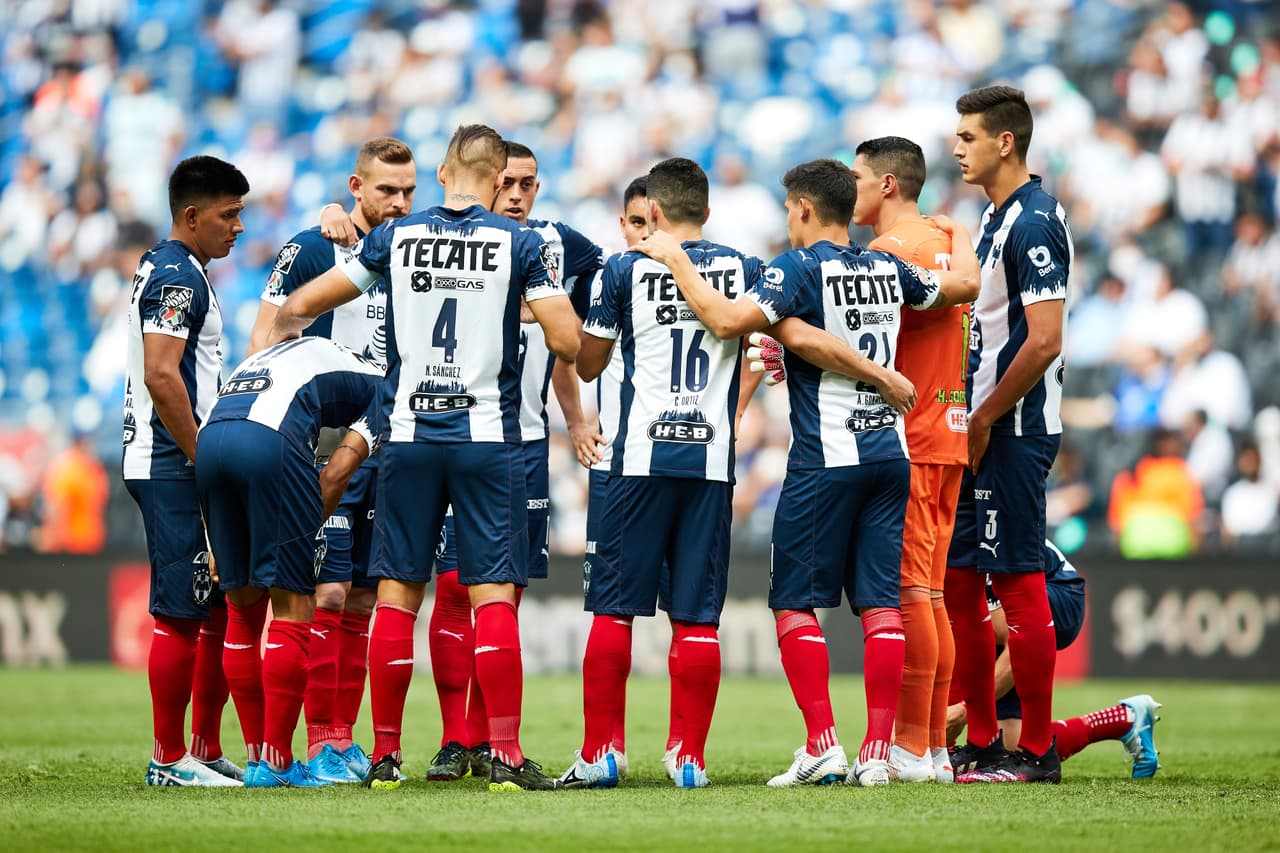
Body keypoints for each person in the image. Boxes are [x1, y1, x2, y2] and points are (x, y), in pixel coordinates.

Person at [266, 124, 581, 792]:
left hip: (406, 434)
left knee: (398, 594)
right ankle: (504, 753)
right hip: (483, 438)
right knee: (491, 590)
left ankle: (384, 757)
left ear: (441, 173)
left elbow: (304, 303)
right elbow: (567, 340)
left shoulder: (395, 238)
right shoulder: (519, 242)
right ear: (498, 180)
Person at [652, 158, 978, 787]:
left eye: (786, 208)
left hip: (825, 460)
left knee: (795, 603)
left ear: (802, 207)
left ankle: (824, 745)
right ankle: (878, 756)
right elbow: (962, 287)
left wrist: (677, 260)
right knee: (882, 604)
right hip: (891, 456)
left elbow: (724, 321)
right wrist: (959, 233)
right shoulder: (886, 266)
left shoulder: (795, 270)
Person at [567, 157, 764, 790]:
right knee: (698, 617)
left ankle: (602, 753)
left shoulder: (625, 268)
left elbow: (589, 364)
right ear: (708, 212)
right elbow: (768, 347)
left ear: (652, 214)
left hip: (636, 463)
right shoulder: (745, 269)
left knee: (614, 611)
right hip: (710, 464)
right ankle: (689, 758)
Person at [425, 141, 604, 784]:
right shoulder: (452, 239)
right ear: (489, 181)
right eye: (510, 181)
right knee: (450, 588)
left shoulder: (562, 247)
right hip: (454, 433)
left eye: (531, 181)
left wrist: (577, 416)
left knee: (504, 595)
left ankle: (493, 740)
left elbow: (582, 329)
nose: (520, 192)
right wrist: (337, 211)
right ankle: (455, 741)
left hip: (524, 444)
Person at [246, 137, 416, 784]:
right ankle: (310, 743)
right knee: (328, 589)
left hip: (390, 437)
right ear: (355, 185)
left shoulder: (414, 249)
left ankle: (341, 740)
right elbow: (266, 336)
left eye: (408, 192)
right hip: (324, 441)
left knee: (365, 599)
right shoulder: (315, 246)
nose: (398, 203)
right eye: (385, 192)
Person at [946, 84, 1074, 784]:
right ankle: (986, 742)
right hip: (982, 428)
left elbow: (1045, 338)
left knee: (1017, 579)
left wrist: (987, 414)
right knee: (962, 582)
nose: (956, 147)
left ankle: (1038, 753)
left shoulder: (1033, 222)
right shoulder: (997, 216)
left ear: (1005, 142)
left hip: (1014, 429)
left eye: (967, 137)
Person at [196, 337, 384, 787]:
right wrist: (292, 533)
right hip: (268, 441)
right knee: (294, 607)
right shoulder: (386, 388)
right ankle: (279, 764)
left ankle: (258, 758)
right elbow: (338, 472)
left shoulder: (306, 355)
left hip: (210, 441)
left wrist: (222, 538)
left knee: (242, 611)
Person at [123, 155, 248, 787]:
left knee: (216, 604)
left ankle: (200, 745)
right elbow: (160, 373)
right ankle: (168, 758)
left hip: (175, 456)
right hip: (170, 460)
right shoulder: (178, 277)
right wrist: (204, 455)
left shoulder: (178, 267)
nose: (239, 227)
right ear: (192, 215)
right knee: (180, 609)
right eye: (229, 214)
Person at [850, 136, 969, 783]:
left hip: (913, 434)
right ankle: (933, 749)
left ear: (888, 185)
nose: (853, 190)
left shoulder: (892, 253)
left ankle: (912, 744)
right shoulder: (947, 241)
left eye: (859, 178)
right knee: (931, 594)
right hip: (949, 428)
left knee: (909, 594)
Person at [945, 542, 1162, 779]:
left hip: (1054, 589)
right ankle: (1125, 719)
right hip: (1019, 579)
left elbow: (1008, 642)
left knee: (1007, 746)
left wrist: (965, 711)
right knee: (1010, 748)